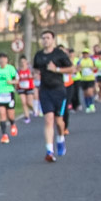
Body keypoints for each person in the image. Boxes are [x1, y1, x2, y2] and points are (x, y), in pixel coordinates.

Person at [33, 30, 74, 162]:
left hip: (59, 91)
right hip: (45, 91)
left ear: (53, 40)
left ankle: (61, 139)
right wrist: (35, 75)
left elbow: (72, 69)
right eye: (43, 38)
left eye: (48, 38)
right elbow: (35, 69)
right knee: (48, 119)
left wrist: (56, 69)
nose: (45, 40)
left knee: (58, 121)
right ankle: (49, 151)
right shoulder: (38, 55)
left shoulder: (59, 54)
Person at [0, 52, 19, 143]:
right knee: (2, 114)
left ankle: (13, 124)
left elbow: (17, 80)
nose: (2, 60)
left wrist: (12, 82)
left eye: (4, 58)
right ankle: (4, 135)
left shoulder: (11, 69)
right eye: (1, 58)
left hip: (9, 93)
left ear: (7, 60)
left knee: (10, 115)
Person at [16, 54, 37, 123]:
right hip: (21, 87)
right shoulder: (18, 70)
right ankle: (27, 117)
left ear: (26, 62)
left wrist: (32, 76)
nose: (22, 63)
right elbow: (16, 79)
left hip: (29, 87)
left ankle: (33, 109)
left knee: (29, 102)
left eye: (24, 62)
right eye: (21, 62)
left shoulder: (30, 69)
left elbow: (35, 76)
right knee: (23, 102)